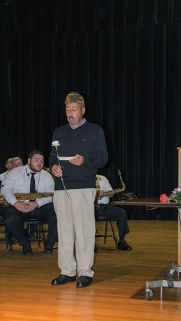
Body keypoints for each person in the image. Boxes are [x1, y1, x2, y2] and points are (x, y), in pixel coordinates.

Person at [49, 91, 108, 288]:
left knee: (84, 230)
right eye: (67, 110)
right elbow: (52, 157)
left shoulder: (95, 130)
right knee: (64, 231)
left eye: (74, 109)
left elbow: (103, 158)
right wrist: (53, 168)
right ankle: (66, 270)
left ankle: (85, 272)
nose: (70, 113)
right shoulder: (59, 132)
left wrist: (85, 161)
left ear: (83, 110)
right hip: (61, 188)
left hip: (83, 187)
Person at [1, 150, 57, 255]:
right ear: (29, 160)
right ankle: (25, 243)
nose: (39, 163)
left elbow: (52, 194)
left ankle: (49, 244)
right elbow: (5, 190)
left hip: (38, 207)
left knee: (58, 211)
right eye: (36, 160)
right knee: (10, 219)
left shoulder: (47, 175)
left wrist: (36, 204)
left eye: (41, 160)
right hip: (18, 206)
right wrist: (16, 203)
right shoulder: (15, 172)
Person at [96, 175, 132, 251]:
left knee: (122, 213)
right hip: (90, 207)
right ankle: (90, 244)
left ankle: (121, 241)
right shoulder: (84, 177)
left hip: (104, 207)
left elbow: (111, 194)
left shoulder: (103, 178)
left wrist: (106, 194)